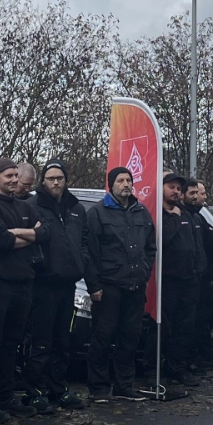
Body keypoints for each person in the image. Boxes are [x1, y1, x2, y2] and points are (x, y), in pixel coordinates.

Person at [0, 158, 42, 422]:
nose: (13, 179)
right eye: (8, 175)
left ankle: (6, 397)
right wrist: (29, 235)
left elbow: (44, 234)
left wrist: (18, 233)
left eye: (15, 175)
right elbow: (1, 241)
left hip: (23, 284)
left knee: (11, 344)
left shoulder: (25, 206)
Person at [85, 167, 155, 401]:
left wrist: (144, 271)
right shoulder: (97, 213)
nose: (126, 184)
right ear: (111, 185)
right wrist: (94, 285)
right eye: (120, 180)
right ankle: (98, 388)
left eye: (128, 180)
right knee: (102, 337)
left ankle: (124, 386)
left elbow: (150, 247)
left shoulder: (141, 212)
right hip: (108, 286)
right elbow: (90, 252)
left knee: (130, 337)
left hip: (135, 286)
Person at [25, 162, 88, 413]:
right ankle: (35, 392)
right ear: (43, 181)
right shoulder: (32, 206)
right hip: (42, 285)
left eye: (59, 178)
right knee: (41, 341)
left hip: (68, 284)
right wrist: (40, 266)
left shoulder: (76, 208)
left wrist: (82, 261)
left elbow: (84, 241)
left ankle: (58, 389)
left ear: (66, 180)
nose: (55, 182)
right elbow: (28, 241)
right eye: (50, 178)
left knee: (63, 340)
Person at [159, 173, 205, 387]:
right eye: (172, 187)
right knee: (164, 328)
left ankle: (178, 367)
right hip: (168, 281)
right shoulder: (160, 213)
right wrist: (175, 217)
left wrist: (197, 270)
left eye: (178, 188)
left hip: (190, 280)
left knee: (184, 327)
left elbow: (196, 246)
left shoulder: (187, 214)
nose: (176, 192)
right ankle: (157, 369)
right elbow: (163, 239)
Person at [183, 180, 213, 368]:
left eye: (200, 193)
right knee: (193, 319)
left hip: (205, 274)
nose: (200, 197)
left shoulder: (198, 216)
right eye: (195, 193)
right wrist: (212, 234)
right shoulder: (185, 215)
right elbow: (209, 239)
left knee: (203, 317)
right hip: (192, 277)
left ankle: (204, 352)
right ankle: (192, 357)